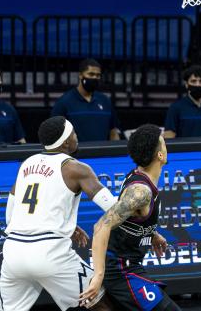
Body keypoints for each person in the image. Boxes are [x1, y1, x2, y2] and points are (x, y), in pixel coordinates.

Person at [0, 116, 117, 311]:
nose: (77, 137)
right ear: (66, 141)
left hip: (14, 253)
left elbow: (11, 215)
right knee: (99, 301)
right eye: (74, 133)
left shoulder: (27, 163)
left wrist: (61, 224)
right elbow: (112, 207)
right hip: (49, 253)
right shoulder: (76, 168)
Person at [80, 124, 181, 311]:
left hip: (129, 266)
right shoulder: (140, 192)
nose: (166, 147)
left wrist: (152, 233)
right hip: (120, 270)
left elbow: (129, 217)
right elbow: (101, 227)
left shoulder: (139, 176)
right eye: (164, 144)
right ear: (161, 155)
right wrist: (98, 276)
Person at [52, 58, 121, 142]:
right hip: (76, 154)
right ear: (81, 75)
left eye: (98, 75)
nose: (95, 78)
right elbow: (55, 135)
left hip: (102, 154)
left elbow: (113, 132)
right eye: (91, 74)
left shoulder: (105, 101)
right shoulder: (64, 102)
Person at [163, 64, 201, 139]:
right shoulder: (175, 108)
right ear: (186, 84)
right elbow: (169, 137)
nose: (197, 84)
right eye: (193, 81)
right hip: (183, 151)